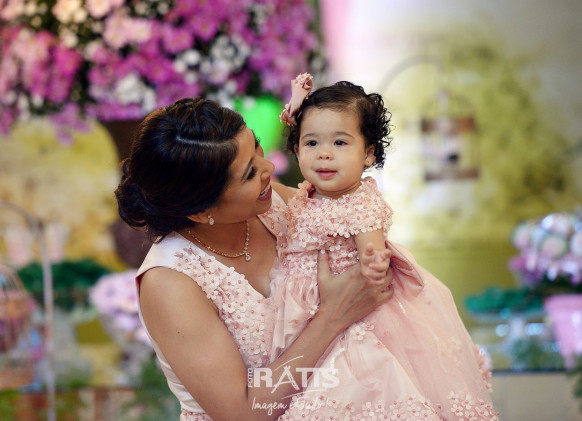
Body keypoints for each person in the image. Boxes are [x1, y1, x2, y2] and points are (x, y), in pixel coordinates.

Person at [114, 97, 394, 421]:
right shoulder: (170, 282)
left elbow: (357, 234)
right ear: (201, 212)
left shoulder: (276, 205)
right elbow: (243, 412)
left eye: (257, 148)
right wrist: (332, 317)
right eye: (249, 173)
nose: (269, 169)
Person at [269, 74, 498, 420]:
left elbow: (372, 248)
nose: (324, 154)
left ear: (368, 153)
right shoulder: (303, 197)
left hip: (354, 319)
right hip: (303, 313)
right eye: (311, 143)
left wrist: (374, 263)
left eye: (340, 143)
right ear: (297, 149)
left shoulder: (359, 202)